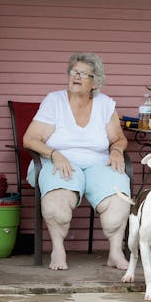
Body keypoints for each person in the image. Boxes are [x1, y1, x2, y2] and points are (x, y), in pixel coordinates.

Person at [23, 53, 131, 270]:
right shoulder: (54, 101)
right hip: (59, 161)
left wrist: (117, 150)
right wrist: (54, 154)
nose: (76, 77)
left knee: (118, 202)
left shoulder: (105, 105)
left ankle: (115, 252)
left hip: (98, 164)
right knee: (56, 207)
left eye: (83, 74)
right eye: (74, 72)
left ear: (95, 82)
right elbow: (30, 139)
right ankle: (58, 250)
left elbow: (118, 138)